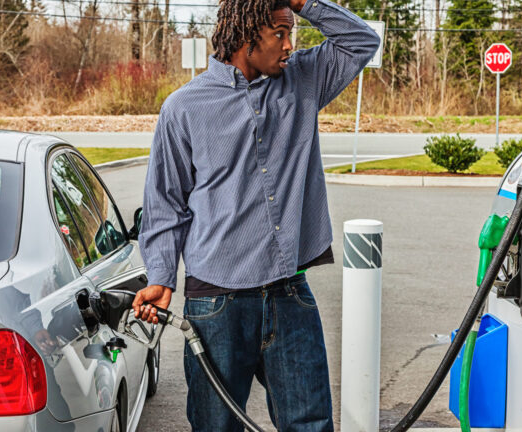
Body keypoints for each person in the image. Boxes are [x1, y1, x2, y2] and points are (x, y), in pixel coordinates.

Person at [132, 0, 379, 429]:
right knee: (217, 426)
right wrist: (160, 277)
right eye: (280, 34)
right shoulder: (183, 108)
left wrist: (304, 4)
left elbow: (362, 42)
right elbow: (165, 204)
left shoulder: (303, 79)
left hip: (289, 293)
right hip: (216, 303)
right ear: (246, 37)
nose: (289, 45)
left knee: (311, 425)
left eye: (292, 33)